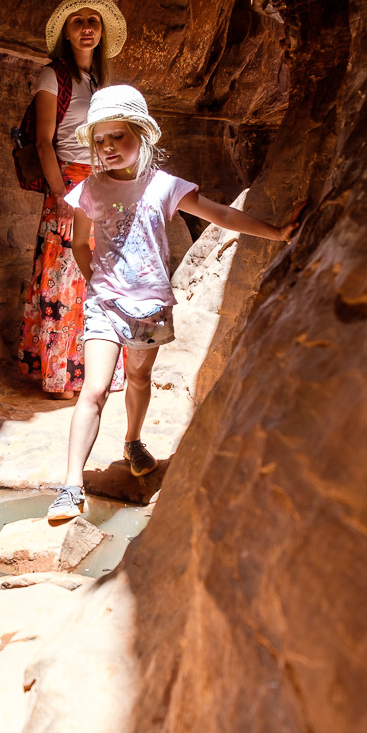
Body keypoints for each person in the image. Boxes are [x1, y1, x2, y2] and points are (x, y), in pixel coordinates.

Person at [47, 85, 301, 521]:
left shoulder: (164, 186)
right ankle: (71, 485)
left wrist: (277, 232)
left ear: (141, 136)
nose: (107, 148)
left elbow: (219, 214)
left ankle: (133, 441)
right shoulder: (89, 190)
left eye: (118, 137)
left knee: (140, 379)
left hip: (150, 306)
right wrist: (96, 285)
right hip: (106, 304)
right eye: (100, 140)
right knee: (93, 390)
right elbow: (81, 244)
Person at [17, 0, 128, 400]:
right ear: (66, 32)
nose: (86, 28)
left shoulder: (97, 81)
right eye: (78, 21)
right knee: (63, 279)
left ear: (101, 32)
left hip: (99, 183)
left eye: (93, 22)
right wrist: (61, 196)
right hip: (67, 182)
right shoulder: (54, 76)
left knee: (96, 275)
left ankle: (93, 373)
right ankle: (60, 376)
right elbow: (45, 144)